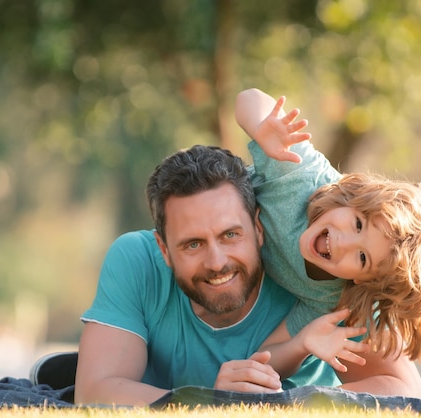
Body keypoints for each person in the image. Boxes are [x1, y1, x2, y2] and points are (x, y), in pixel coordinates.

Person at [235, 88, 421, 393]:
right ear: (351, 199)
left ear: (363, 282)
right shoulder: (302, 178)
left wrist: (302, 343)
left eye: (363, 258)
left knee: (405, 390)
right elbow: (248, 98)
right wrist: (261, 125)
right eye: (357, 224)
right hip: (213, 222)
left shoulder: (330, 298)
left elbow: (266, 357)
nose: (343, 244)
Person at [73, 145, 341, 406]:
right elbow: (94, 391)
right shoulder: (137, 260)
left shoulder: (320, 265)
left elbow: (383, 385)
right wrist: (211, 403)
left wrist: (286, 405)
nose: (216, 262)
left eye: (230, 235)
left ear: (258, 228)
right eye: (193, 244)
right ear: (163, 249)